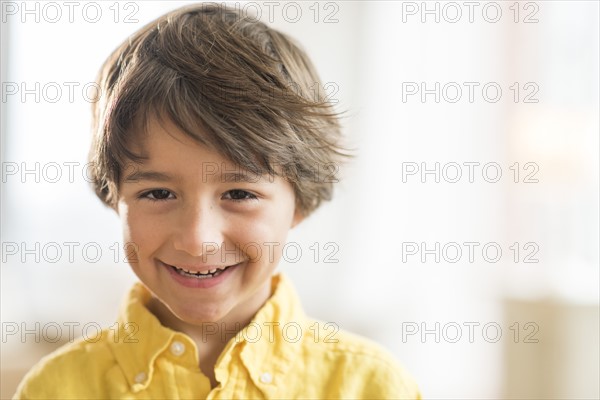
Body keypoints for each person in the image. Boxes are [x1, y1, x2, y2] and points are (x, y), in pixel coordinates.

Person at [14, 3, 420, 399]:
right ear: (114, 195)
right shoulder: (53, 389)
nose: (198, 240)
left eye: (239, 194)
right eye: (158, 193)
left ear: (300, 201)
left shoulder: (373, 387)